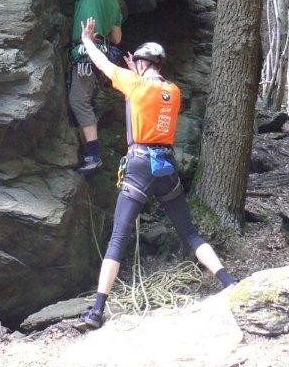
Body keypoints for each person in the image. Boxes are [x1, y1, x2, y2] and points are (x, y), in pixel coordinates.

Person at [77, 17, 237, 329]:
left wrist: (87, 41)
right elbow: (150, 97)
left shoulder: (133, 84)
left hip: (138, 166)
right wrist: (134, 69)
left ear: (140, 63)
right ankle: (230, 283)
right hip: (165, 166)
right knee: (189, 232)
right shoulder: (173, 92)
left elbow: (101, 63)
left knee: (118, 238)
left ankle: (97, 310)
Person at [52, 0, 130, 176]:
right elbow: (117, 38)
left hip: (86, 54)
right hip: (100, 59)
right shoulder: (116, 3)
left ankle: (93, 156)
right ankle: (91, 146)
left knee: (79, 102)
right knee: (85, 99)